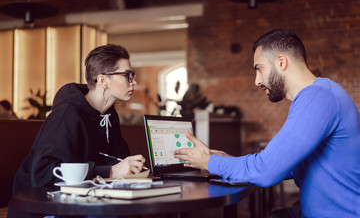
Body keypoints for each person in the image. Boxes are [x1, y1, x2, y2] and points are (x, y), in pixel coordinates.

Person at [174, 29, 360, 218]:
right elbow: (287, 165)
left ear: (281, 62)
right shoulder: (320, 94)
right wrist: (229, 161)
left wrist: (209, 162)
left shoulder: (318, 98)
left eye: (259, 68)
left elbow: (266, 172)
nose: (257, 81)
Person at [8, 44, 146, 218]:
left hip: (83, 201)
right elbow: (42, 172)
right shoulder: (67, 114)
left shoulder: (109, 115)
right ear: (103, 81)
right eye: (127, 75)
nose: (133, 82)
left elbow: (118, 159)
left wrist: (131, 167)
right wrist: (111, 172)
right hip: (41, 208)